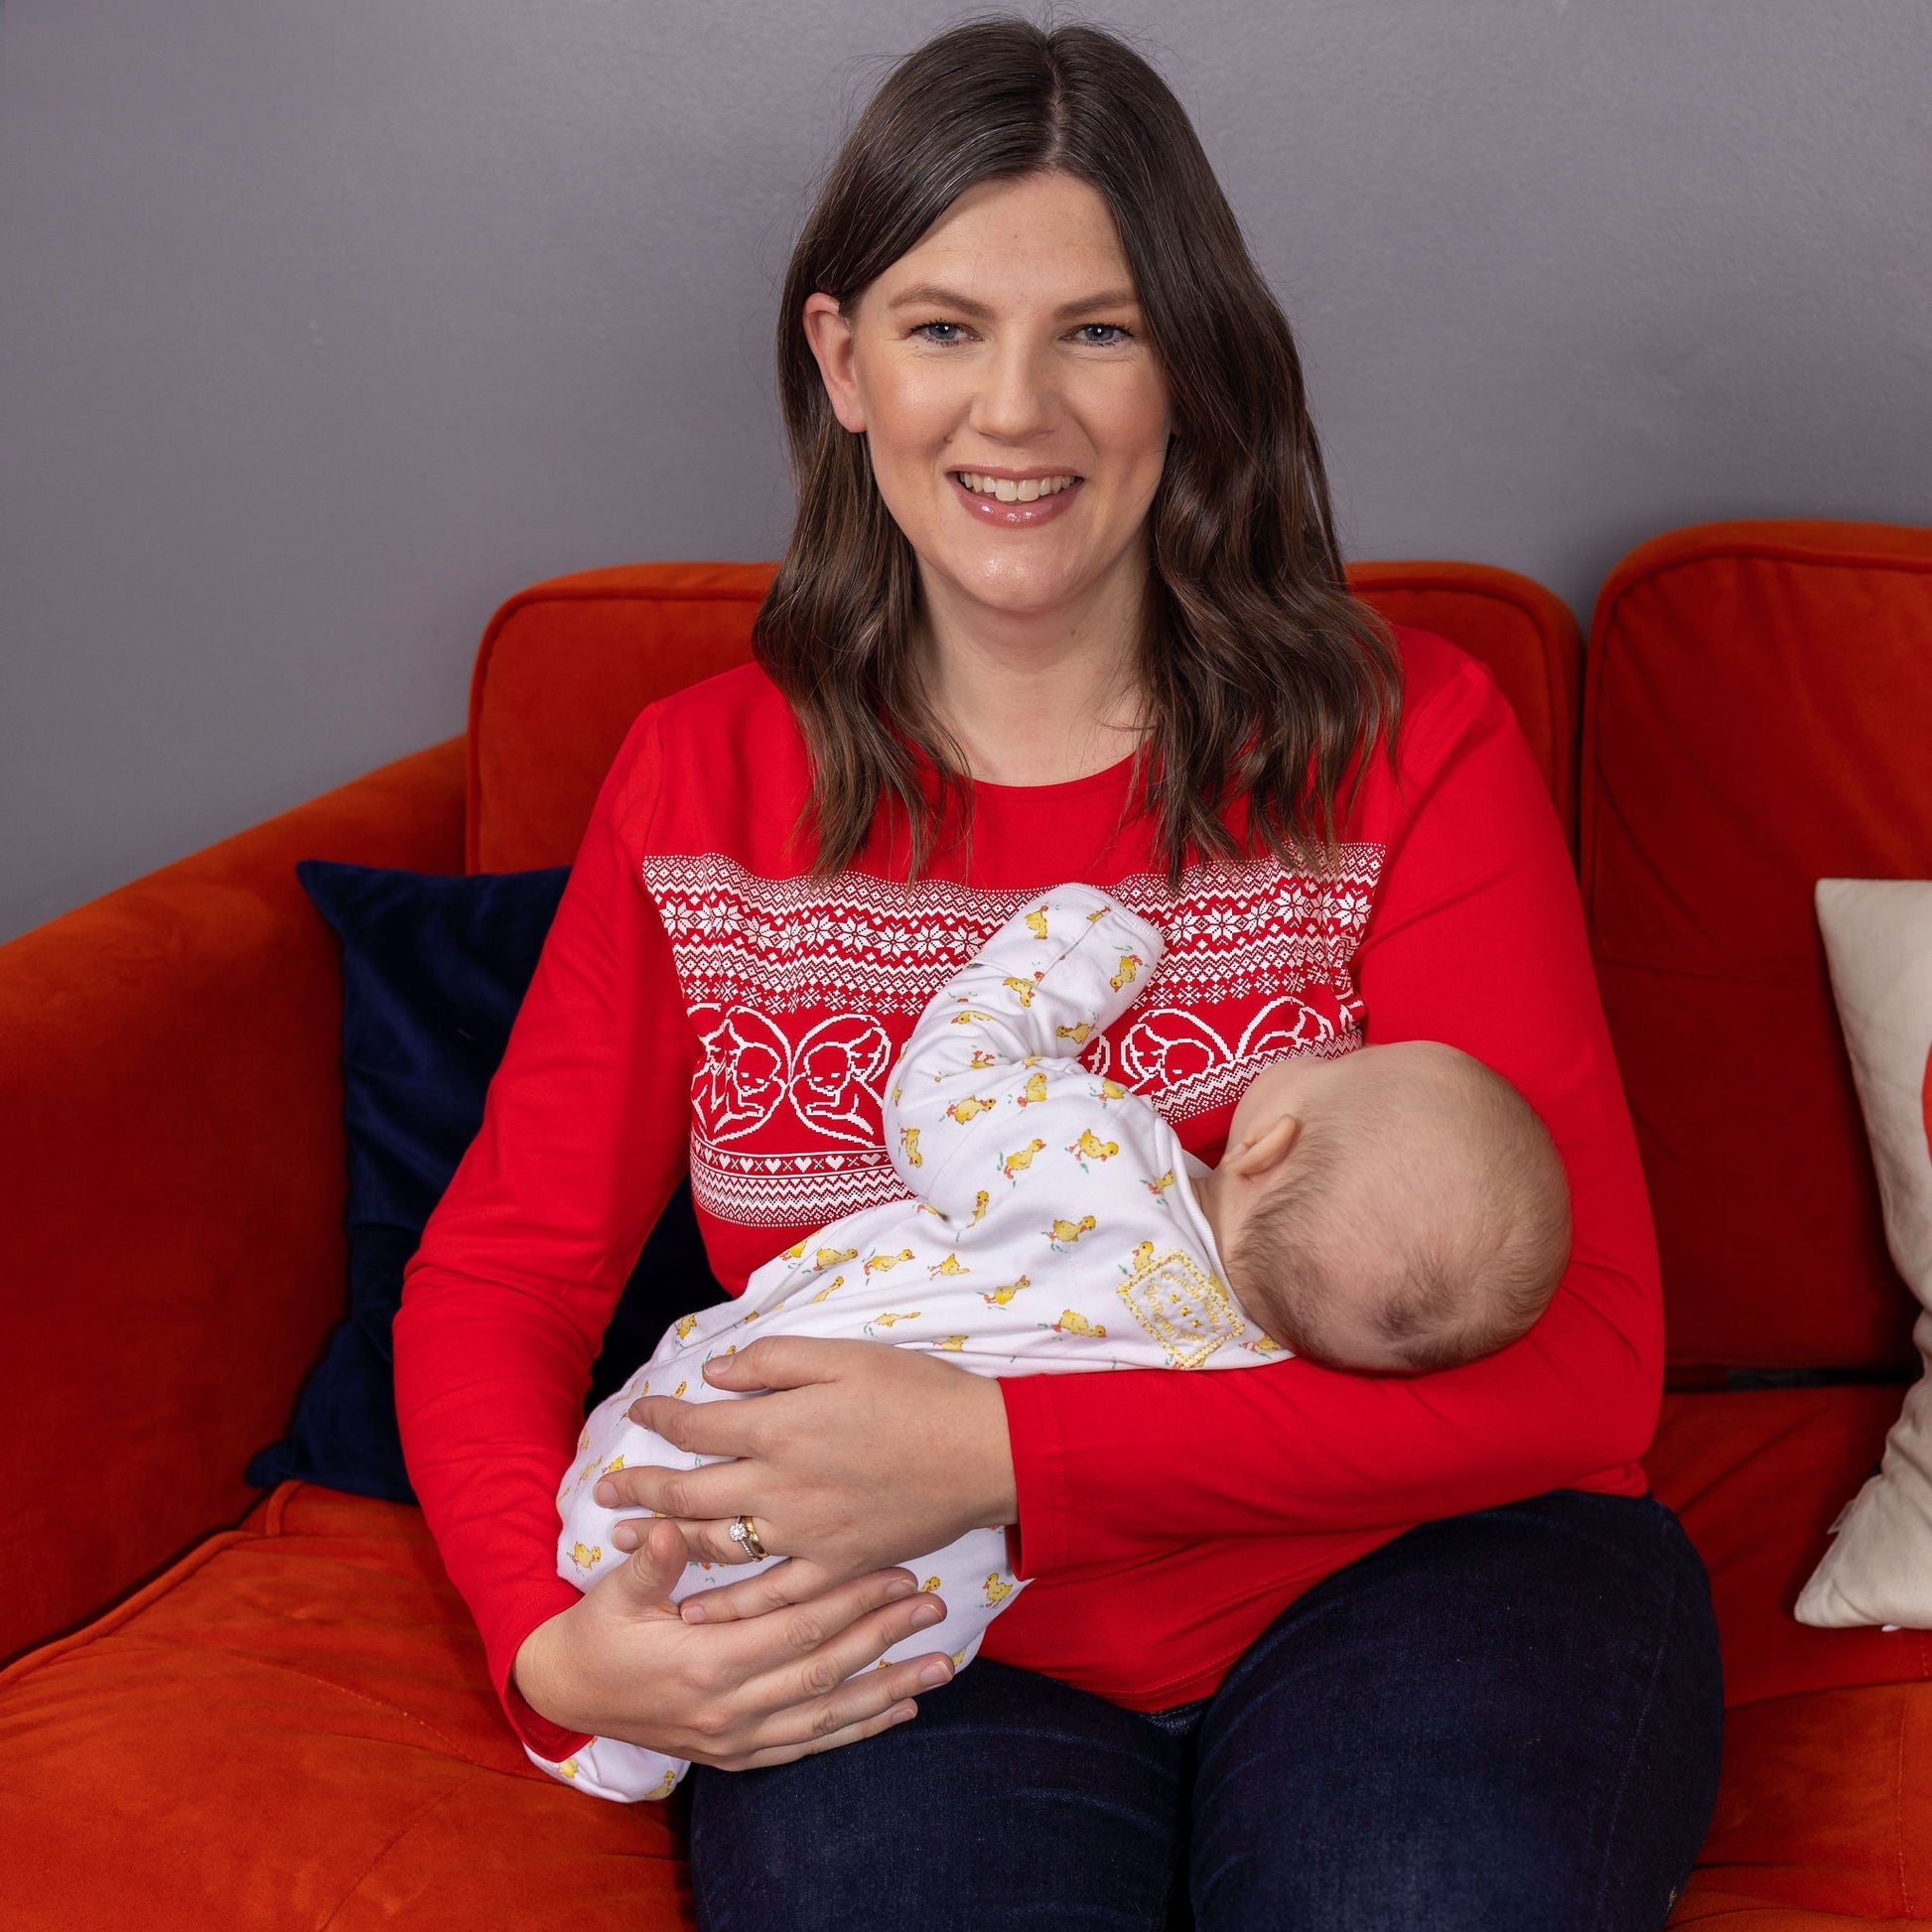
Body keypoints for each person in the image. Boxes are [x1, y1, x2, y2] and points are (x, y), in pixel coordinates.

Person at [394, 18, 1723, 1927]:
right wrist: (548, 1644)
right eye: (943, 328)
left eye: (1097, 330)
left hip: (1423, 1572)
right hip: (916, 1639)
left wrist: (999, 1448)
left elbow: (1583, 1374)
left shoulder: (1406, 737)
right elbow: (502, 1276)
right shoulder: (698, 782)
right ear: (843, 362)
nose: (1012, 412)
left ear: (1193, 367)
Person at [545, 883, 1571, 1801]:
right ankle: (631, 1748)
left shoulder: (1088, 1162)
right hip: (858, 1628)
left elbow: (946, 1077)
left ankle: (611, 1709)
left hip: (687, 1452)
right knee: (877, 1628)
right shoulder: (1253, 1376)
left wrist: (1081, 941)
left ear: (1267, 1143)